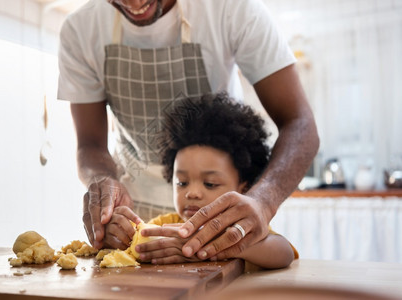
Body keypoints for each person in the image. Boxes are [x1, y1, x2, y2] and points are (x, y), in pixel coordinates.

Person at [58, 0, 319, 261]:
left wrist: (262, 202)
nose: (134, 2)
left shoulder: (231, 8)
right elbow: (90, 144)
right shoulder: (81, 29)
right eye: (182, 182)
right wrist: (102, 187)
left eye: (209, 182)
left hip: (229, 214)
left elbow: (299, 123)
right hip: (132, 214)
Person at [106, 92, 298, 268]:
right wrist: (120, 233)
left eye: (210, 184)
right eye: (182, 182)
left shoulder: (243, 226)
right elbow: (138, 244)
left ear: (243, 188)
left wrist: (225, 245)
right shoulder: (168, 224)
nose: (192, 193)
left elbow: (284, 253)